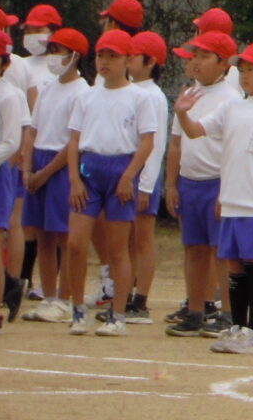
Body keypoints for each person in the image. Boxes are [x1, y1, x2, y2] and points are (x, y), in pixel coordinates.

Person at [177, 41, 253, 354]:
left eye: (251, 69)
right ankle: (237, 326)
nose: (244, 75)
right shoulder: (231, 107)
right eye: (241, 69)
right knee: (235, 269)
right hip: (232, 201)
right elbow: (197, 131)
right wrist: (183, 115)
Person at [60, 29, 158, 336]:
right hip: (90, 168)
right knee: (76, 243)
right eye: (101, 55)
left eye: (113, 56)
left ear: (128, 59)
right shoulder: (86, 96)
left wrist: (129, 176)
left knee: (118, 249)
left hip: (121, 168)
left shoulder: (140, 97)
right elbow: (74, 140)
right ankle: (77, 309)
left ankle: (118, 314)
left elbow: (147, 142)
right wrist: (74, 179)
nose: (105, 62)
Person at [163, 29, 240, 338]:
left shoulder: (232, 99)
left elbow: (233, 149)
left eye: (205, 56)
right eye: (195, 55)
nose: (196, 62)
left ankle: (228, 313)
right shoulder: (189, 94)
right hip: (190, 181)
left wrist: (227, 190)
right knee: (194, 249)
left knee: (221, 251)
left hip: (216, 181)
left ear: (223, 64)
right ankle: (196, 310)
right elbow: (177, 143)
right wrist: (172, 184)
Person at [17, 27, 90, 322]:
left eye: (58, 51)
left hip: (60, 166)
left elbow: (75, 141)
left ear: (74, 56)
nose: (52, 57)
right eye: (51, 50)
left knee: (63, 236)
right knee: (43, 236)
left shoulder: (83, 92)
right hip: (39, 162)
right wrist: (27, 167)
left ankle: (65, 298)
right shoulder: (47, 88)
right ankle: (48, 297)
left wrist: (45, 172)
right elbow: (33, 129)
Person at [121, 32, 171, 326]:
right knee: (127, 238)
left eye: (132, 55)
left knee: (142, 238)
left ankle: (140, 299)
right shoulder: (131, 92)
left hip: (143, 175)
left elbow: (156, 144)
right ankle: (126, 293)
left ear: (150, 62)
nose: (127, 60)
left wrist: (146, 185)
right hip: (130, 172)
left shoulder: (152, 96)